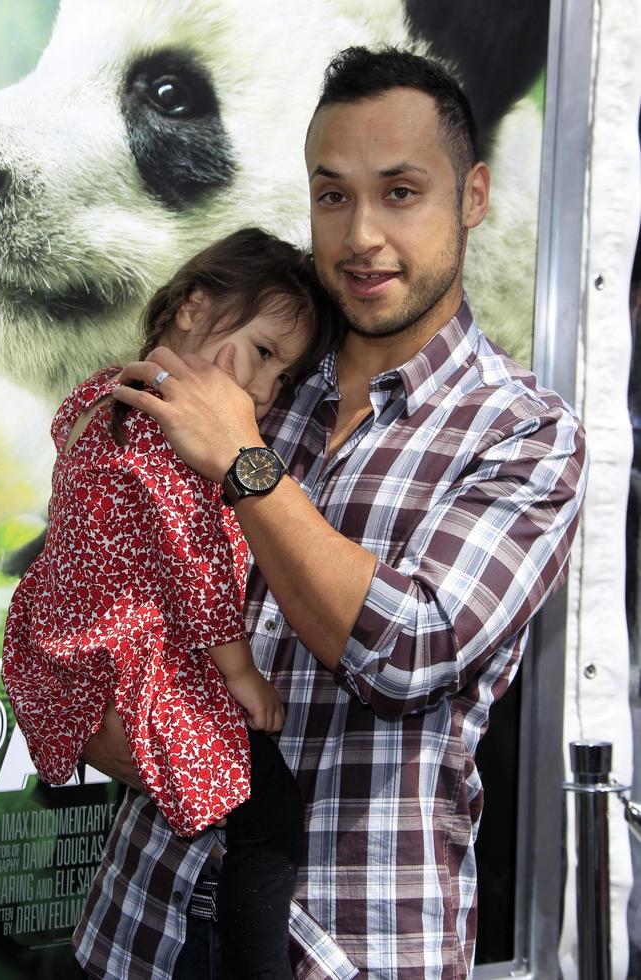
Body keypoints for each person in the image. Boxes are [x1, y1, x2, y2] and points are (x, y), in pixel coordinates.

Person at [74, 47, 587, 979]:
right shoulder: (266, 373)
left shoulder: (523, 434)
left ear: (472, 196)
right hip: (139, 918)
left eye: (400, 192)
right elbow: (114, 594)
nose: (360, 237)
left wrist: (242, 463)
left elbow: (408, 651)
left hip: (345, 943)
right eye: (332, 196)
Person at [3, 227, 342, 979]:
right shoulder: (178, 438)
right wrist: (243, 673)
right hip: (141, 664)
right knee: (271, 817)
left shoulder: (102, 395)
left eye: (281, 377)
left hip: (72, 647)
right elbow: (197, 574)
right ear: (193, 306)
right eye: (260, 351)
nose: (262, 390)